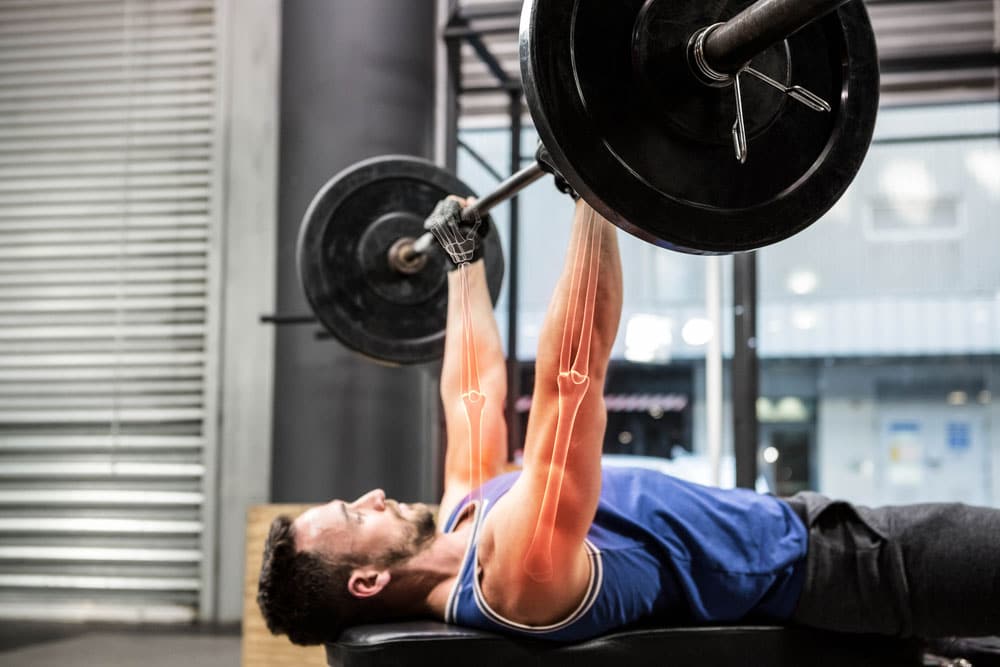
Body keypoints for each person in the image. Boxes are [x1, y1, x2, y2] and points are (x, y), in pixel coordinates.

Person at [257, 199, 1000, 647]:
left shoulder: (462, 517)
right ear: (365, 579)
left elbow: (474, 394)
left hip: (825, 532)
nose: (377, 492)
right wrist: (597, 194)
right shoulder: (513, 578)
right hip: (847, 568)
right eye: (359, 512)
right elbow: (568, 388)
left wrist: (461, 264)